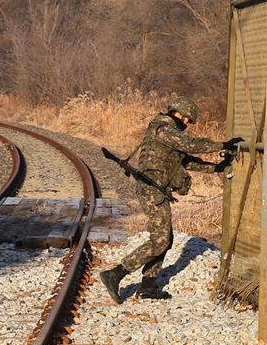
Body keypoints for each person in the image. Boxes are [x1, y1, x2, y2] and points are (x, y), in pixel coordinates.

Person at [100, 96, 243, 303]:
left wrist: (218, 167)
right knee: (160, 240)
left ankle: (148, 286)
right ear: (178, 113)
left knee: (165, 239)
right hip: (151, 191)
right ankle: (115, 274)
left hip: (156, 191)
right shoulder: (163, 129)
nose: (187, 124)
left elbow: (187, 161)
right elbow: (190, 145)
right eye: (187, 120)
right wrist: (223, 144)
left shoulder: (167, 134)